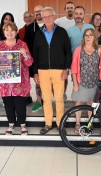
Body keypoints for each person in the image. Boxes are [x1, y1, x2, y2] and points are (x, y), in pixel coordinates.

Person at [33, 7, 72, 135]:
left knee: (59, 98)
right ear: (42, 18)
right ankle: (48, 123)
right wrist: (35, 72)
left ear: (54, 17)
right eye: (44, 17)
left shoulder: (62, 32)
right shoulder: (38, 34)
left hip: (59, 70)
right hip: (43, 70)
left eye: (49, 16)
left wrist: (66, 69)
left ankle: (61, 125)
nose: (47, 19)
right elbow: (35, 54)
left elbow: (68, 52)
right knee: (47, 98)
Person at [0, 22, 33, 135]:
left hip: (19, 82)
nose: (9, 32)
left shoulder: (22, 44)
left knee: (20, 104)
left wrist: (25, 55)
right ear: (4, 32)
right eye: (7, 30)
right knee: (8, 104)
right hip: (5, 82)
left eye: (12, 30)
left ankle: (23, 124)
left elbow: (29, 63)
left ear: (16, 31)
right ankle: (11, 125)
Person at [71, 28, 101, 133]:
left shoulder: (99, 51)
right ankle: (77, 123)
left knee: (91, 103)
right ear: (84, 37)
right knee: (79, 102)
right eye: (86, 35)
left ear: (94, 37)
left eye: (90, 35)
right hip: (81, 81)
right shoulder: (79, 49)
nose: (88, 37)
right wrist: (75, 83)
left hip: (95, 82)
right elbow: (74, 67)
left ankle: (89, 123)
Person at [24, 5, 44, 112]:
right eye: (36, 11)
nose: (38, 13)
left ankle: (50, 99)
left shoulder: (49, 25)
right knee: (38, 81)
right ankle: (39, 101)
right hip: (36, 59)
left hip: (49, 59)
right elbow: (26, 44)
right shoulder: (31, 27)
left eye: (40, 11)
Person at [54, 1, 75, 100]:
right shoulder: (58, 22)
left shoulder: (78, 21)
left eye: (71, 7)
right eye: (68, 8)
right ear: (65, 10)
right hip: (62, 53)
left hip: (75, 52)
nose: (70, 9)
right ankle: (63, 92)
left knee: (75, 74)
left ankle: (77, 93)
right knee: (64, 73)